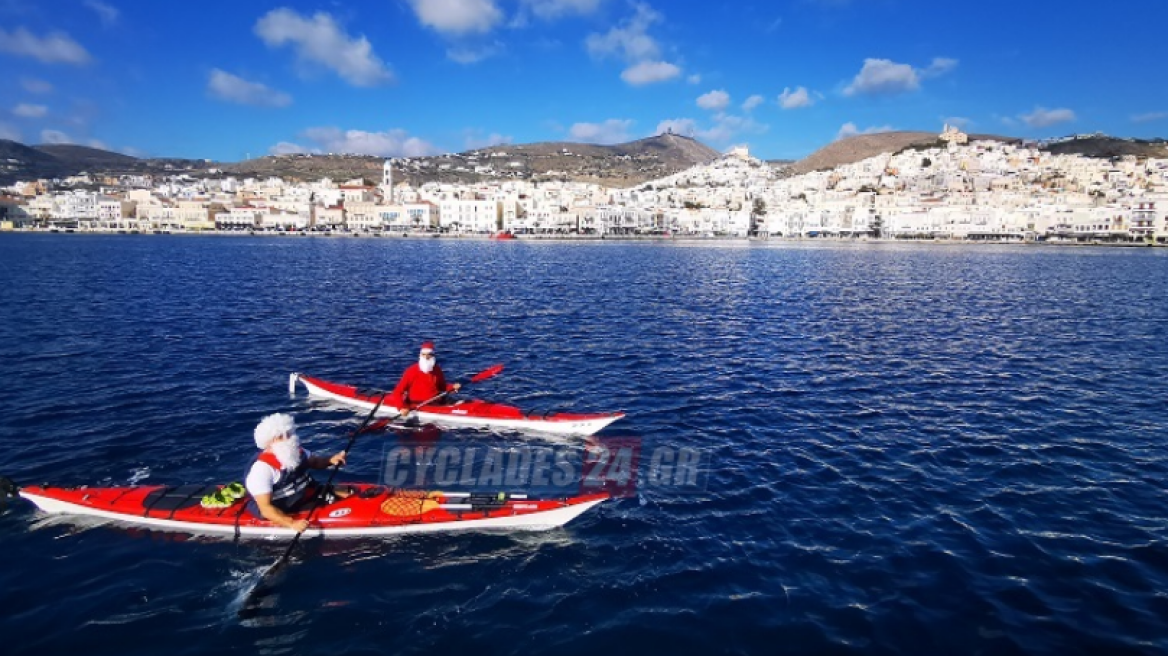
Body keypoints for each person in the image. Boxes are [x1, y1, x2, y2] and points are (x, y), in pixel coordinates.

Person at [245, 412, 350, 533]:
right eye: (280, 437)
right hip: (284, 507)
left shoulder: (296, 452)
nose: (287, 439)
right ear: (269, 443)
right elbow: (265, 508)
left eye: (288, 433)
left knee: (348, 493)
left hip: (304, 494)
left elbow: (315, 462)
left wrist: (330, 460)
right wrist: (292, 523)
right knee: (337, 505)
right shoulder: (262, 469)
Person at [392, 341, 461, 419]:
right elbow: (397, 392)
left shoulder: (437, 369)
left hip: (436, 402)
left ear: (433, 356)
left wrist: (452, 387)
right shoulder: (411, 371)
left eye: (429, 355)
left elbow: (442, 387)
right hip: (419, 404)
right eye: (423, 355)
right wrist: (401, 408)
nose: (426, 357)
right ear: (420, 356)